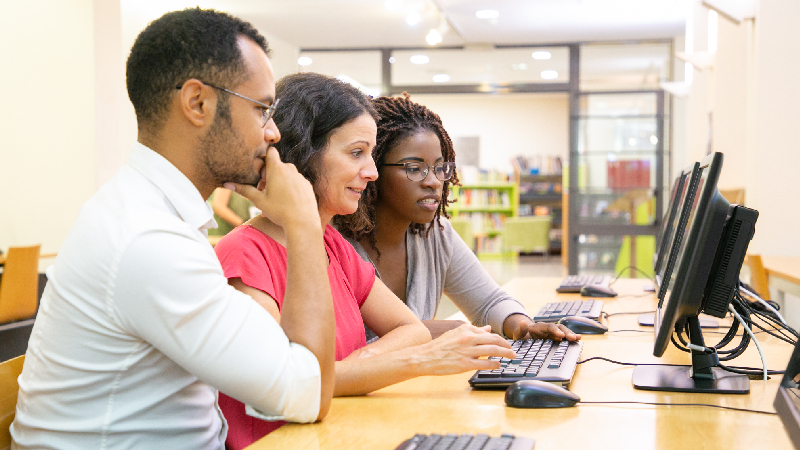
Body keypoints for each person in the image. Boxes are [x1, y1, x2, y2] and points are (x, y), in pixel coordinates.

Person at [11, 9, 337, 450]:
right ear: (197, 103)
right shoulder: (147, 238)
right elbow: (309, 394)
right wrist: (301, 221)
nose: (274, 132)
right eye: (262, 109)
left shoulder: (149, 214)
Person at [214, 73, 518, 449]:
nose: (372, 172)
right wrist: (419, 361)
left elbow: (413, 331)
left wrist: (351, 369)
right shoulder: (244, 257)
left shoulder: (330, 244)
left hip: (342, 433)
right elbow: (295, 386)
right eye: (357, 153)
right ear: (304, 154)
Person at [334, 94, 580, 342]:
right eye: (414, 168)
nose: (433, 182)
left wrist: (522, 326)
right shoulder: (334, 243)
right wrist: (444, 331)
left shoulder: (435, 234)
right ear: (373, 168)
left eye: (440, 168)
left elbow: (488, 302)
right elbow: (343, 348)